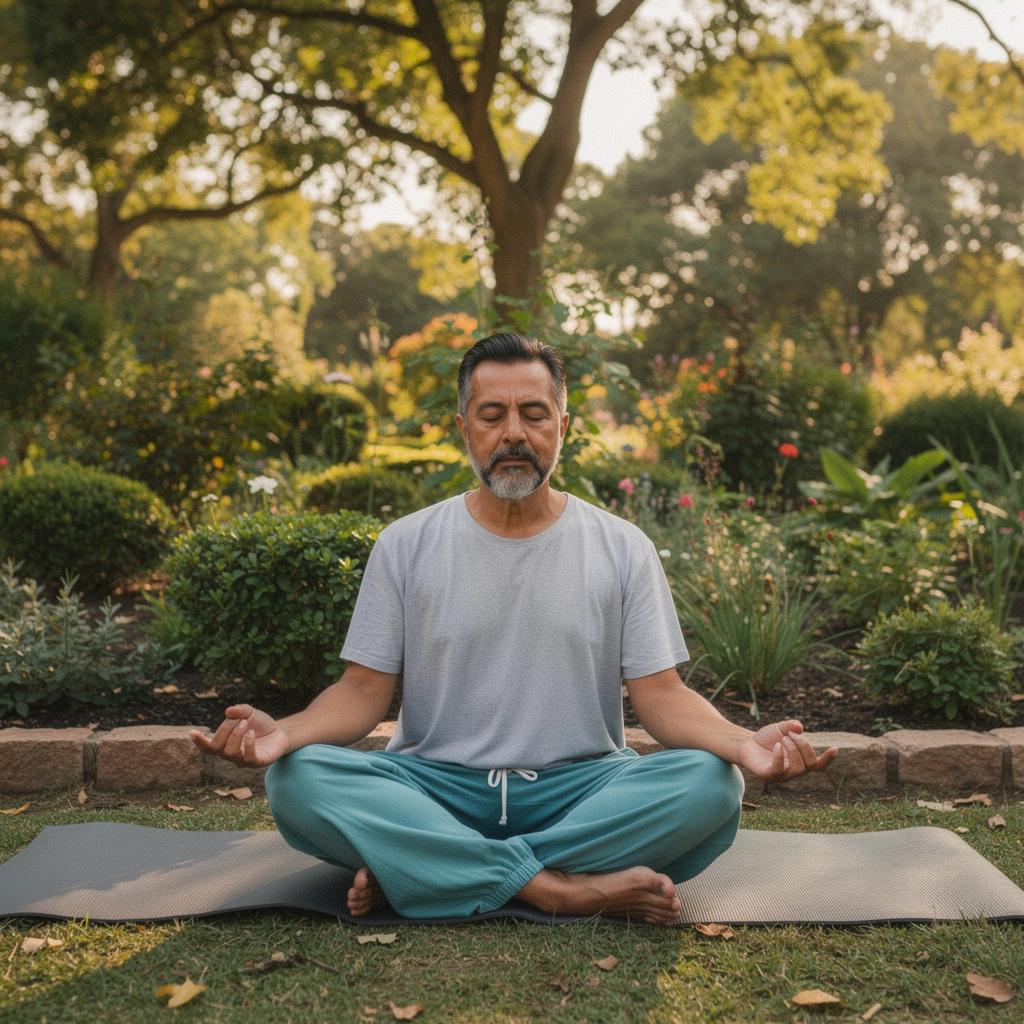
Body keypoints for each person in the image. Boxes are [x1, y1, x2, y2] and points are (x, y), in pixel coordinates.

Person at [192, 332, 837, 924]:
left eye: (533, 413)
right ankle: (555, 888)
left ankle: (428, 871)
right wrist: (285, 735)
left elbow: (662, 698)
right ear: (463, 427)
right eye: (492, 415)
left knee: (711, 782)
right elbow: (362, 691)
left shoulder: (623, 547)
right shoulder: (405, 544)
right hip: (434, 786)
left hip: (581, 789)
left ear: (564, 425)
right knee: (297, 779)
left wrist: (742, 743)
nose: (514, 434)